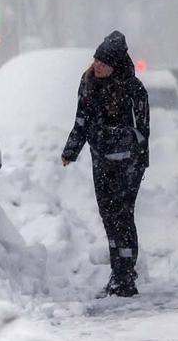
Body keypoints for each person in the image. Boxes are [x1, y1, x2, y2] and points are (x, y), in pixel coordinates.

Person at [61, 31, 150, 298]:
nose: (97, 65)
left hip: (128, 164)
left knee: (123, 216)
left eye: (103, 62)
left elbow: (143, 131)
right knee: (108, 216)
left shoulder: (134, 90)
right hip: (101, 160)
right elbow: (81, 121)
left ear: (115, 66)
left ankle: (125, 277)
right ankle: (118, 271)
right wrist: (71, 150)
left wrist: (132, 153)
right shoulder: (88, 83)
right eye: (96, 60)